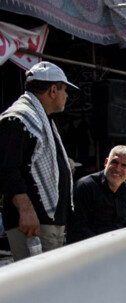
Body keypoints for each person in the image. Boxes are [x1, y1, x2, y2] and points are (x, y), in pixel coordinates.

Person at [0, 61, 77, 260]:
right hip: (33, 224)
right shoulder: (18, 118)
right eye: (64, 90)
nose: (66, 96)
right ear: (53, 90)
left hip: (48, 223)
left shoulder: (41, 120)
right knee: (41, 287)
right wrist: (26, 210)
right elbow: (8, 169)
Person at [68, 145, 126, 243]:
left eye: (124, 165)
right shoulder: (85, 187)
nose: (118, 169)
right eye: (114, 162)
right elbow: (77, 229)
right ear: (106, 162)